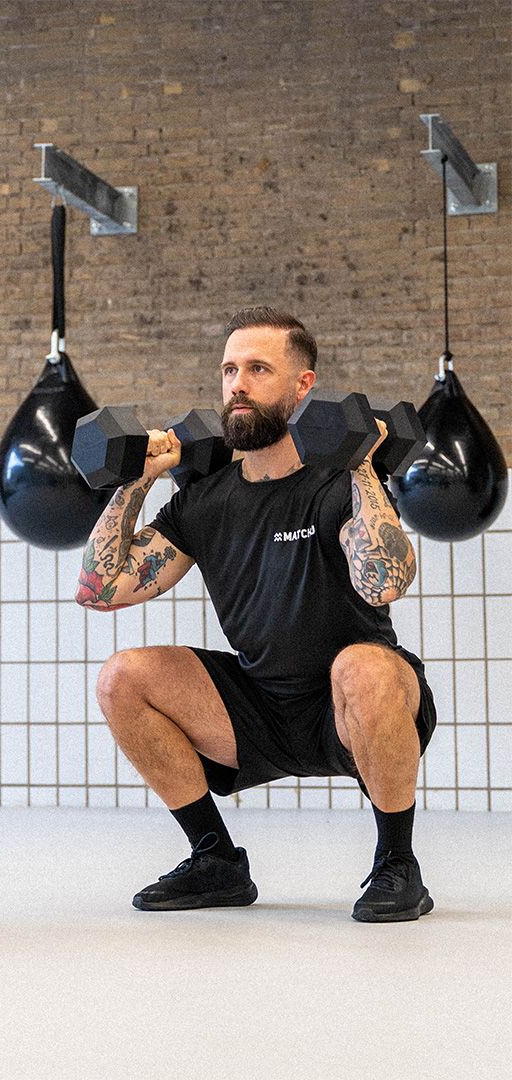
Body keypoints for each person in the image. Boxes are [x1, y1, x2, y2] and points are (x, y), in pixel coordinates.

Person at [77, 306, 437, 922]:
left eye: (258, 369)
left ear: (303, 386)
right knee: (122, 677)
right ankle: (214, 859)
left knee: (363, 666)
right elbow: (101, 590)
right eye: (228, 370)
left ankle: (397, 864)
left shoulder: (336, 483)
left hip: (352, 705)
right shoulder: (206, 501)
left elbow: (386, 583)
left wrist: (363, 468)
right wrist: (135, 483)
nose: (237, 384)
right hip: (258, 709)